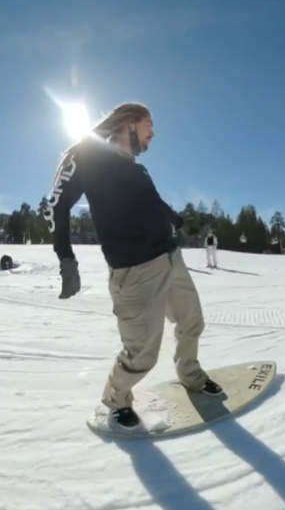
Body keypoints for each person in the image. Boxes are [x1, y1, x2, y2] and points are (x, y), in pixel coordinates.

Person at [43, 101, 222, 430]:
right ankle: (116, 400)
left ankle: (190, 375)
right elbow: (55, 204)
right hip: (135, 271)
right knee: (141, 353)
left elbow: (154, 203)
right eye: (149, 123)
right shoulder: (88, 154)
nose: (154, 132)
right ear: (129, 123)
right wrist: (65, 257)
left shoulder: (135, 168)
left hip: (171, 259)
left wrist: (181, 222)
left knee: (191, 322)